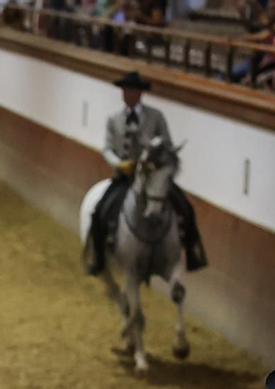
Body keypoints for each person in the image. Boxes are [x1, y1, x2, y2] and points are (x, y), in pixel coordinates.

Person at [85, 71, 208, 277]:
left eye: (131, 90)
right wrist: (119, 163)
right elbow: (107, 147)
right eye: (125, 90)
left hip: (153, 179)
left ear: (140, 93)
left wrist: (156, 155)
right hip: (125, 178)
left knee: (186, 207)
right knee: (99, 211)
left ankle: (193, 254)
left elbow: (168, 144)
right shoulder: (113, 119)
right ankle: (98, 258)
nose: (127, 94)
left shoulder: (156, 117)